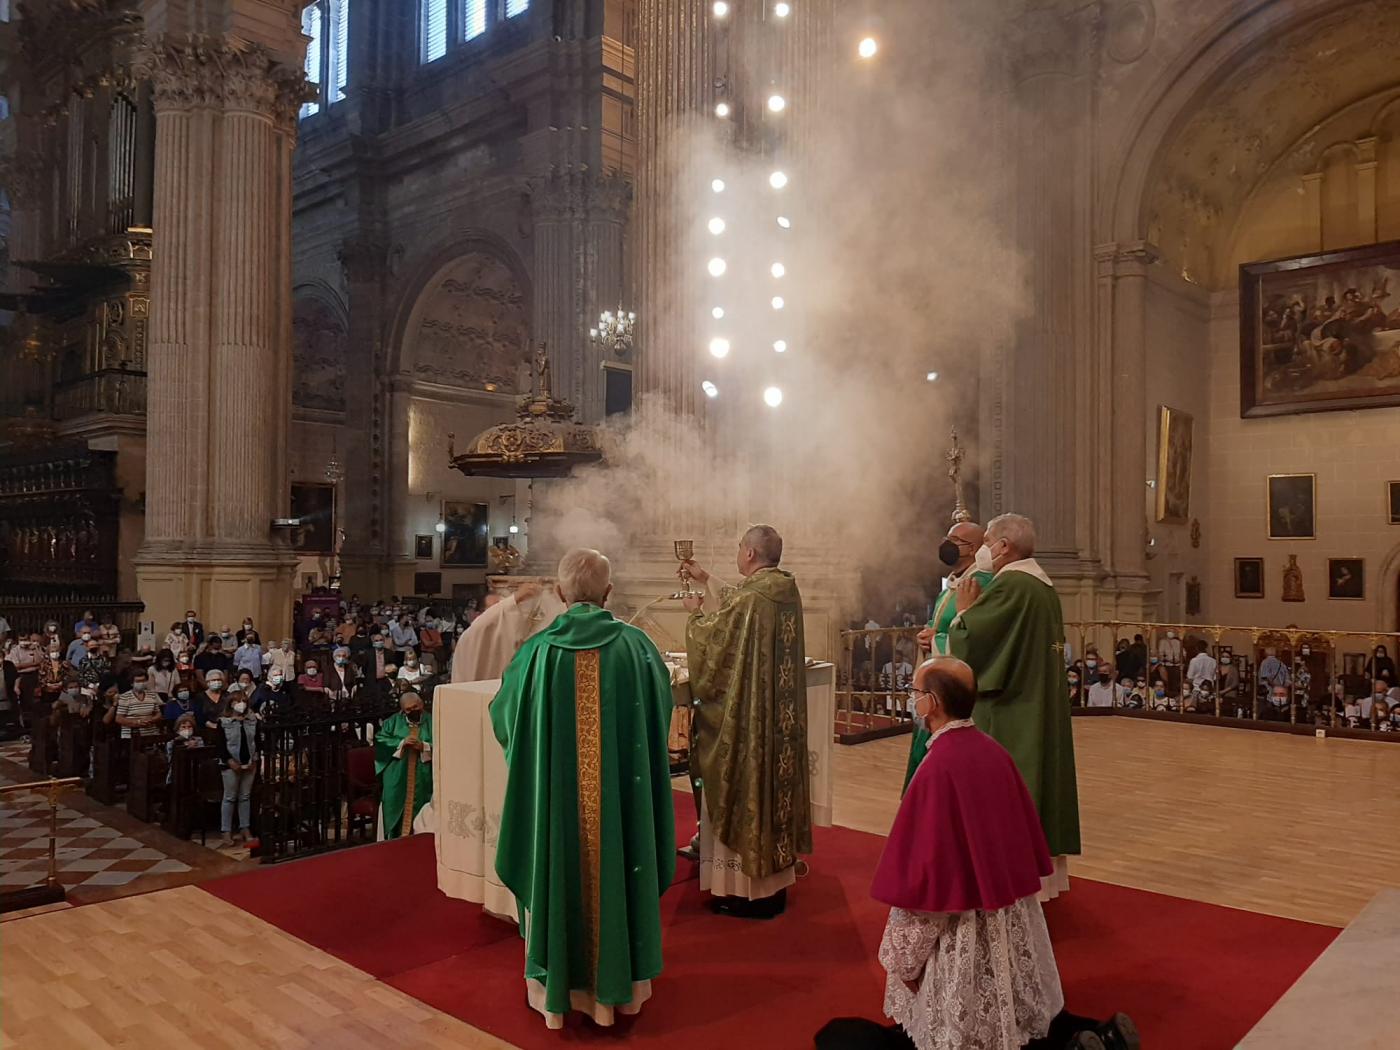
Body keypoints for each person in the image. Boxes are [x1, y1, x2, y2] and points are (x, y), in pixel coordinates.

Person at [819, 657, 1136, 1050]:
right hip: (1008, 914)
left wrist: (903, 959)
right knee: (1020, 1020)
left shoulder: (938, 770)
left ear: (930, 703)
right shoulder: (992, 751)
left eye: (915, 693)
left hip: (961, 932)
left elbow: (928, 878)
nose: (912, 700)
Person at [492, 548, 676, 1029]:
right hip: (618, 807)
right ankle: (625, 991)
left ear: (559, 593)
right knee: (617, 863)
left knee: (557, 863)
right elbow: (661, 711)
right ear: (608, 592)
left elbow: (505, 719)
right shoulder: (636, 647)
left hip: (558, 810)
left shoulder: (536, 652)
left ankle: (557, 993)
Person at [947, 513, 1080, 899]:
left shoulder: (1013, 586)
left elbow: (972, 641)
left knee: (1008, 789)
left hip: (1011, 709)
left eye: (987, 540)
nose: (985, 548)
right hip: (1037, 702)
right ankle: (1042, 879)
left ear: (1003, 547)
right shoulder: (1042, 586)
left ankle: (1010, 878)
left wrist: (963, 611)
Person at [682, 524, 811, 918]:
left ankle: (747, 893)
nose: (738, 553)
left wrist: (695, 616)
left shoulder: (752, 600)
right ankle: (776, 885)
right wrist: (706, 578)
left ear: (751, 554)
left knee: (742, 781)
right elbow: (741, 603)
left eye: (740, 547)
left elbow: (717, 639)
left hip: (752, 722)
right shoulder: (784, 591)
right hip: (780, 723)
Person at [905, 521, 995, 789]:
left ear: (975, 549)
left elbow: (976, 636)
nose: (947, 544)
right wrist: (928, 639)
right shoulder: (953, 585)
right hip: (937, 683)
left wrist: (938, 640)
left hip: (956, 689)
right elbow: (943, 629)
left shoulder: (982, 585)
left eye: (955, 540)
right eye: (947, 537)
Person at [375, 689, 433, 839]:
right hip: (398, 774)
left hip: (424, 775)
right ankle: (394, 839)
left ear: (421, 705)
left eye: (415, 707)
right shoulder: (392, 723)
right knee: (395, 805)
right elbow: (380, 740)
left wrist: (424, 747)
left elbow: (443, 742)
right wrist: (401, 742)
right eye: (408, 709)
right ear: (402, 710)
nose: (413, 711)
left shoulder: (433, 721)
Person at [217, 686, 258, 846]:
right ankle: (226, 831)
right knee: (229, 797)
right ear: (231, 704)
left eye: (244, 702)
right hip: (230, 765)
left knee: (245, 796)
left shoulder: (252, 720)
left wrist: (254, 760)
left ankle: (245, 828)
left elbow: (257, 741)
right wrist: (230, 761)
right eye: (238, 701)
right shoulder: (224, 722)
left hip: (250, 763)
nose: (241, 704)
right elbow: (220, 746)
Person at [115, 669, 163, 742]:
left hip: (151, 735)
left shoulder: (152, 695)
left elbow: (158, 714)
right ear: (132, 683)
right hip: (131, 737)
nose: (141, 683)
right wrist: (137, 722)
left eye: (143, 681)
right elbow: (119, 718)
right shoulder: (125, 697)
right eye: (138, 681)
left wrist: (152, 720)